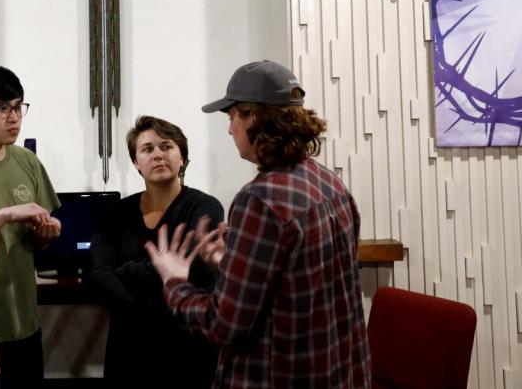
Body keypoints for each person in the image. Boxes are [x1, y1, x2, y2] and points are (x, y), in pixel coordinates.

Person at [145, 60, 371, 387]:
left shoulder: (260, 201)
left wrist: (175, 281)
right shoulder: (331, 185)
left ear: (253, 117)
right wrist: (234, 261)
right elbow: (296, 287)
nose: (229, 128)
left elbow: (223, 323)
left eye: (232, 116)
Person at [88, 115, 224, 387]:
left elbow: (194, 268)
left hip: (186, 347)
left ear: (182, 157)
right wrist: (156, 276)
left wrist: (124, 271)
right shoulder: (116, 213)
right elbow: (96, 276)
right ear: (136, 162)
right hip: (128, 349)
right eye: (147, 149)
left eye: (167, 146)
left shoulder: (205, 207)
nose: (158, 155)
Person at [0, 65, 61, 389]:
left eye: (18, 106)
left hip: (24, 321)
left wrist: (44, 235)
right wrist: (3, 215)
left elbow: (35, 243)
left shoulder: (27, 162)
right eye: (1, 108)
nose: (14, 117)